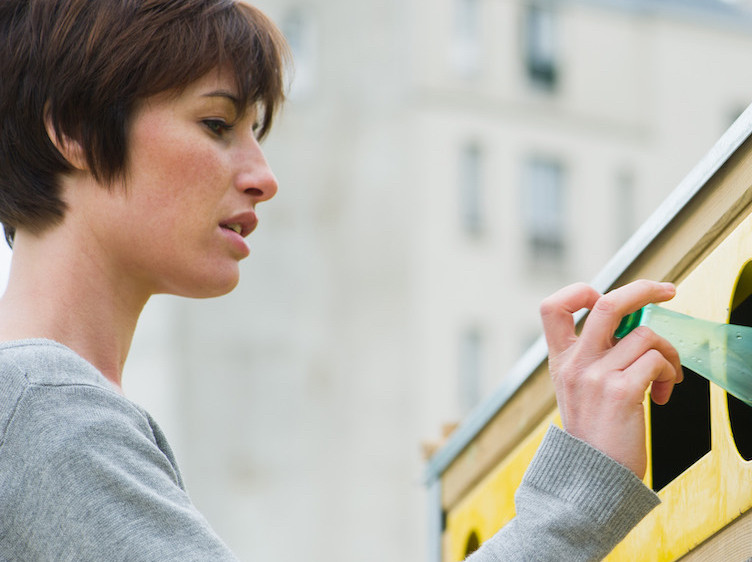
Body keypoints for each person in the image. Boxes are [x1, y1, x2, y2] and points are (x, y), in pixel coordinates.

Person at [0, 0, 682, 560]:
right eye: (216, 123)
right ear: (74, 130)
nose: (263, 176)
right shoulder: (47, 412)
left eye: (255, 132)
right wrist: (578, 496)